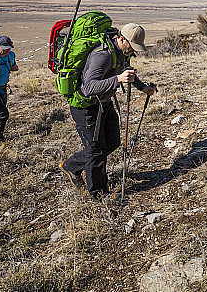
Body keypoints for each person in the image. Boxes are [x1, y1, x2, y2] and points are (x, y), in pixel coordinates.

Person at [59, 23, 156, 200]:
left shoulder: (121, 52)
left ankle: (71, 166)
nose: (132, 51)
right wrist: (117, 79)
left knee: (112, 142)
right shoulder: (102, 55)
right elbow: (88, 87)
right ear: (121, 39)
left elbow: (127, 71)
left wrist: (142, 88)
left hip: (104, 103)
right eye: (131, 47)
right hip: (86, 107)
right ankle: (99, 193)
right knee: (96, 150)